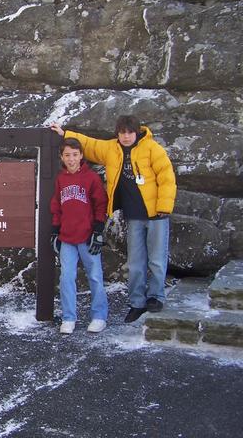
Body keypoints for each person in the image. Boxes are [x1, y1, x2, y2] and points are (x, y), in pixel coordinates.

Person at [51, 117, 177, 323]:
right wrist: (65, 134)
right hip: (133, 215)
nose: (126, 136)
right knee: (135, 262)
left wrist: (164, 207)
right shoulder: (112, 149)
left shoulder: (153, 149)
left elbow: (166, 177)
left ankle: (155, 296)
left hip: (156, 214)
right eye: (121, 132)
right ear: (117, 134)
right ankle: (136, 302)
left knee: (156, 259)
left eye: (129, 132)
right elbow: (90, 145)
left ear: (137, 132)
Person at [50, 138, 109, 334]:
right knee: (66, 277)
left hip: (87, 236)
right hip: (67, 237)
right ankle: (69, 317)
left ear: (81, 156)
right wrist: (55, 231)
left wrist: (98, 230)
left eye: (75, 155)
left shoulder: (91, 178)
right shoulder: (61, 179)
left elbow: (101, 204)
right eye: (67, 155)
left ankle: (99, 316)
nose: (71, 159)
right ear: (62, 157)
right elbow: (56, 205)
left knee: (95, 276)